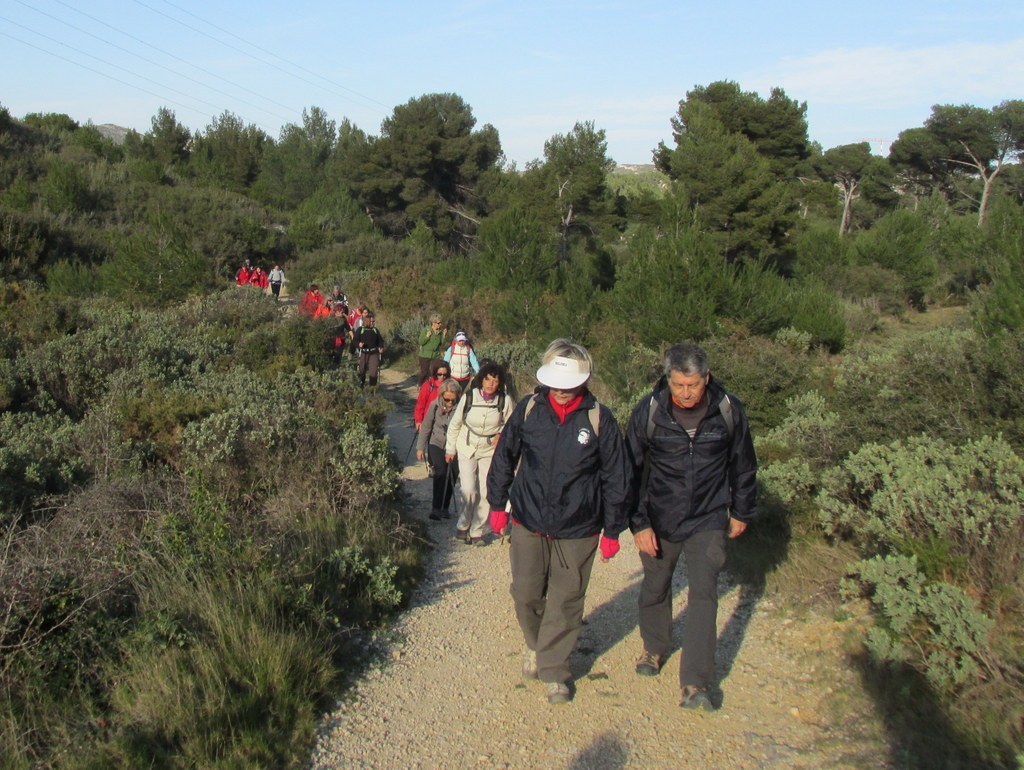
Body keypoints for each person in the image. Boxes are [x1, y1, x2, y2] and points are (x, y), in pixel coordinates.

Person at [486, 339, 629, 705]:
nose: (562, 393)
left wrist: (613, 528)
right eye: (557, 385)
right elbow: (505, 455)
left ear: (584, 382)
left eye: (570, 387)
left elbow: (617, 476)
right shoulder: (530, 410)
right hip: (529, 519)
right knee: (527, 594)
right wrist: (497, 503)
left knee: (566, 600)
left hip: (579, 527)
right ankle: (536, 645)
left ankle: (554, 670)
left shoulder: (600, 419)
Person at [624, 342, 758, 712]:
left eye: (693, 385)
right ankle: (654, 648)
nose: (685, 393)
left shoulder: (727, 410)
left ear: (706, 378)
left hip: (708, 517)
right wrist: (638, 522)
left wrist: (742, 511)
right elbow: (630, 471)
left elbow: (743, 464)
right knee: (656, 584)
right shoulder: (649, 411)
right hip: (659, 515)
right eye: (679, 385)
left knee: (704, 593)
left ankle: (696, 682)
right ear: (668, 379)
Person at [444, 360, 513, 546]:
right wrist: (450, 448)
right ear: (481, 380)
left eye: (495, 380)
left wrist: (501, 433)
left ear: (500, 383)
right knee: (469, 489)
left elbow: (511, 424)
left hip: (490, 450)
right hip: (466, 446)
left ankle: (477, 531)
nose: (491, 384)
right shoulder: (469, 397)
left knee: (486, 490)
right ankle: (463, 524)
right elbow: (455, 423)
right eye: (488, 379)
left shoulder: (504, 401)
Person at [417, 378, 462, 521]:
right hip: (436, 443)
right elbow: (426, 426)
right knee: (441, 472)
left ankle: (445, 507)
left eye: (452, 400)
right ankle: (436, 508)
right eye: (446, 399)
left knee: (452, 475)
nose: (449, 403)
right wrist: (420, 447)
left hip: (455, 446)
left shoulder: (462, 408)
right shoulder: (434, 406)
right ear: (441, 395)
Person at [413, 359, 451, 432]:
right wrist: (418, 420)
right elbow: (420, 404)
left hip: (445, 422)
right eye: (439, 374)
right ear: (435, 373)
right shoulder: (428, 385)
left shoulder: (451, 385)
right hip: (428, 421)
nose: (442, 377)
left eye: (445, 374)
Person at [352, 311, 385, 388]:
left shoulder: (375, 330)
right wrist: (359, 344)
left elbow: (380, 341)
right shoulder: (360, 330)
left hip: (374, 353)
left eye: (374, 321)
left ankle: (372, 389)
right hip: (363, 353)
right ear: (367, 321)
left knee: (373, 372)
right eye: (372, 321)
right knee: (361, 371)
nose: (373, 323)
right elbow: (354, 341)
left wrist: (381, 347)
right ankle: (360, 386)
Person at [417, 313, 448, 384]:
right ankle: (420, 385)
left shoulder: (439, 332)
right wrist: (427, 336)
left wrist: (443, 336)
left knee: (433, 372)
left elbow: (440, 343)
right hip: (425, 355)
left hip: (435, 355)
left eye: (440, 322)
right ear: (433, 323)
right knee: (424, 372)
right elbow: (421, 342)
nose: (440, 324)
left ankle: (431, 386)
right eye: (438, 323)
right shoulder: (426, 330)